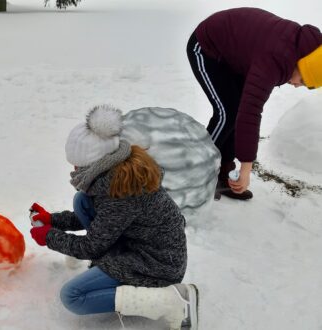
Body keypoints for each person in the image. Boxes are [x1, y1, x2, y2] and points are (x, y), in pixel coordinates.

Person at [28, 105, 198, 330]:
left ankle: (169, 301)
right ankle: (110, 267)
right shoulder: (116, 174)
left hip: (155, 265)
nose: (74, 168)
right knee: (82, 200)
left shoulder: (122, 193)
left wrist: (50, 237)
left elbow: (92, 246)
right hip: (140, 245)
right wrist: (53, 220)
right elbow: (105, 221)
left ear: (95, 162)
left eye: (77, 164)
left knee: (73, 296)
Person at [187, 7, 322, 200]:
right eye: (301, 81)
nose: (295, 85)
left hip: (238, 56)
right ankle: (196, 174)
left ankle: (222, 173)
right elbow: (250, 113)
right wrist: (246, 167)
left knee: (236, 108)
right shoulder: (275, 59)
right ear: (302, 64)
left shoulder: (306, 49)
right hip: (206, 46)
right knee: (227, 113)